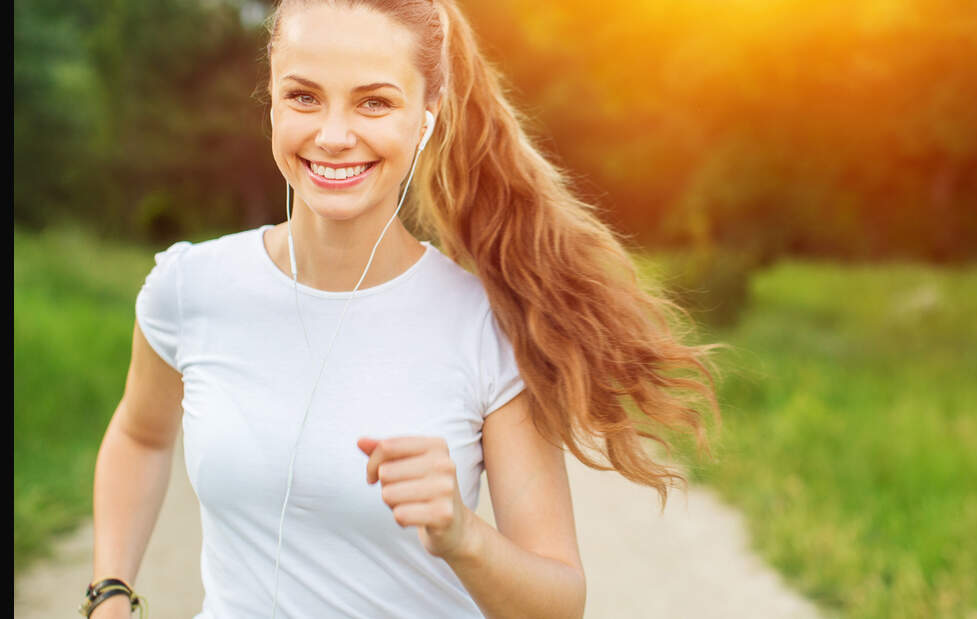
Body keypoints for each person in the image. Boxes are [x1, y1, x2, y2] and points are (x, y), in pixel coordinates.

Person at [86, 1, 726, 617]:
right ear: (272, 101)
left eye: (374, 102)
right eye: (304, 96)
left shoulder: (485, 327)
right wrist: (109, 592)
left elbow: (560, 604)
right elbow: (141, 436)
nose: (334, 137)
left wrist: (462, 534)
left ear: (427, 114)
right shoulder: (189, 287)